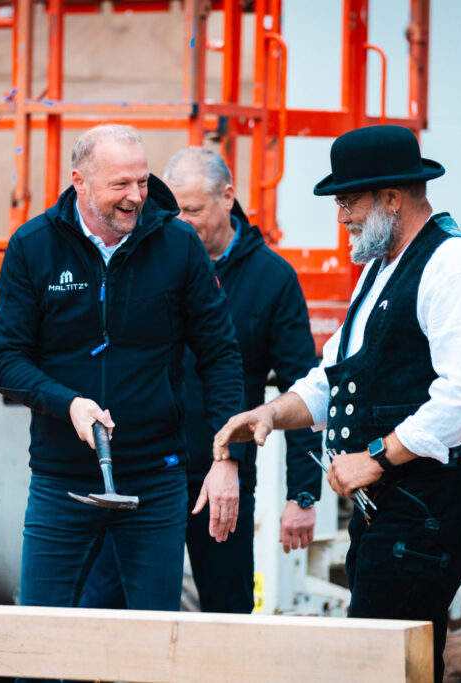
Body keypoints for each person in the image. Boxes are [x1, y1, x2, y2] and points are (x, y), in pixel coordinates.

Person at [212, 125, 461, 681]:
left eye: (348, 200)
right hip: (399, 497)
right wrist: (272, 414)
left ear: (391, 199)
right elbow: (337, 376)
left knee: (380, 659)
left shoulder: (454, 266)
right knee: (392, 657)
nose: (341, 215)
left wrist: (376, 458)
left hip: (436, 496)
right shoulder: (380, 268)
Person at [0, 124, 244, 619]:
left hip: (156, 479)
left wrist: (225, 454)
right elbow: (6, 361)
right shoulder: (33, 246)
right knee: (38, 640)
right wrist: (70, 404)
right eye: (120, 185)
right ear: (80, 182)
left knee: (153, 646)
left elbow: (220, 353)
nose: (136, 197)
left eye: (142, 182)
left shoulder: (177, 244)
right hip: (61, 480)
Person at [80, 147, 322, 614]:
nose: (182, 222)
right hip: (143, 473)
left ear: (227, 197)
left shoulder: (272, 280)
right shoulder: (143, 262)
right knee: (107, 605)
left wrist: (302, 494)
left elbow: (304, 392)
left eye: (193, 210)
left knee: (226, 612)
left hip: (223, 479)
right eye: (175, 211)